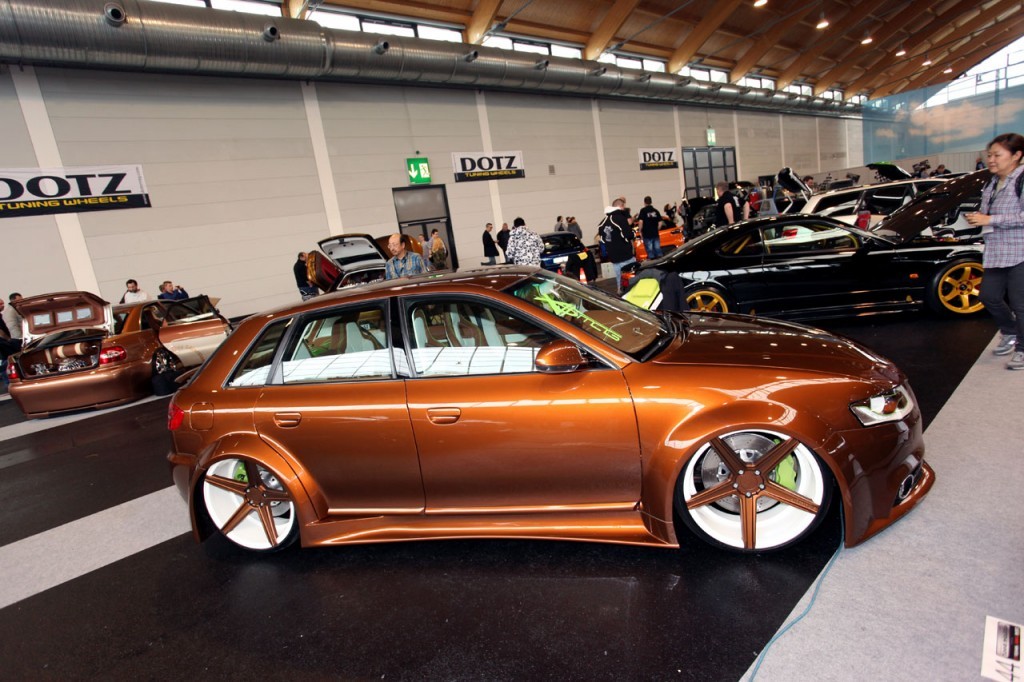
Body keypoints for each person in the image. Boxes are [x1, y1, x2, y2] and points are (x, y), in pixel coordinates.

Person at [965, 132, 1024, 371]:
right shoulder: (991, 182)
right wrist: (978, 219)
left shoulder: (1021, 180)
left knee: (1020, 304)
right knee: (988, 296)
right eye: (989, 155)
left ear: (1017, 155)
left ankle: (1022, 348)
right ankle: (1010, 331)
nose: (991, 159)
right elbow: (987, 213)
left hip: (1020, 251)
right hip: (997, 250)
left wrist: (991, 219)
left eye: (997, 155)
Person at [599, 196, 636, 293]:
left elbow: (602, 240)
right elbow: (628, 235)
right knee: (632, 277)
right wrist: (633, 233)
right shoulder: (620, 219)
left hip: (613, 256)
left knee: (619, 277)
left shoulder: (602, 222)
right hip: (625, 254)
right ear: (621, 206)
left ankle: (620, 290)